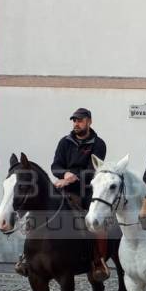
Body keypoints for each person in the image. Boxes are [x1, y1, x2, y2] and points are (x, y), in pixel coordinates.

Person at [46, 107, 109, 281]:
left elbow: (93, 169)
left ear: (89, 121)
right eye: (74, 120)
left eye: (80, 120)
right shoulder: (64, 142)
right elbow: (55, 166)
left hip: (89, 189)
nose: (76, 123)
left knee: (96, 221)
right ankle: (29, 256)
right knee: (42, 209)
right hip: (65, 186)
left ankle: (98, 260)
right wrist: (65, 175)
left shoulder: (98, 144)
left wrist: (73, 178)